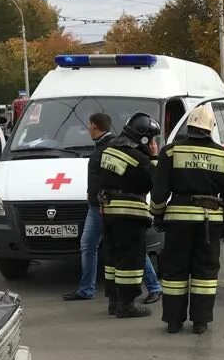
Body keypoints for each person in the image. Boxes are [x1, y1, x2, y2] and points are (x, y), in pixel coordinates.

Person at [151, 105, 224, 334]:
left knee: (174, 271)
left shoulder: (170, 152)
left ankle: (173, 321)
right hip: (209, 224)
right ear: (210, 128)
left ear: (189, 124)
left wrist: (158, 216)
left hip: (177, 222)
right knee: (205, 273)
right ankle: (200, 322)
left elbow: (160, 192)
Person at [63, 113, 162, 304]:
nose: (87, 129)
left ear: (95, 126)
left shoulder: (111, 147)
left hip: (108, 207)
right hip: (98, 205)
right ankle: (87, 289)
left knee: (131, 247)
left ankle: (153, 287)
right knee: (92, 246)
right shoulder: (107, 146)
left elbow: (147, 179)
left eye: (89, 125)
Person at [98, 113, 160, 318]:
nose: (153, 143)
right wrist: (154, 158)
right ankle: (127, 304)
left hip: (109, 212)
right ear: (144, 138)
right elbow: (154, 182)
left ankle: (113, 302)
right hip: (130, 214)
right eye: (152, 139)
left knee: (112, 258)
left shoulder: (108, 150)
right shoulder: (139, 159)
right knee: (130, 261)